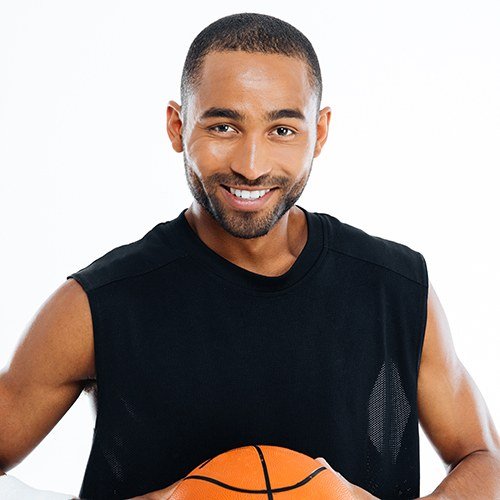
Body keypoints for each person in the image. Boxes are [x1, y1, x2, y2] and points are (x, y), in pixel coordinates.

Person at [1, 12, 499, 500]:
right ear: (177, 126)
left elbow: (485, 460)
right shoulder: (96, 305)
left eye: (282, 130)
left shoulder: (396, 289)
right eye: (223, 127)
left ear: (319, 133)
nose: (251, 166)